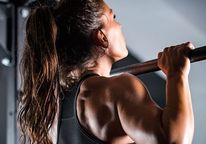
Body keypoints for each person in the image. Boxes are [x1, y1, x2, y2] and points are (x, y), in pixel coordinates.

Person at [18, 0, 194, 143]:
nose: (120, 24)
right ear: (101, 36)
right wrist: (176, 73)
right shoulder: (117, 89)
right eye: (113, 17)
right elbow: (174, 141)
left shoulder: (54, 105)